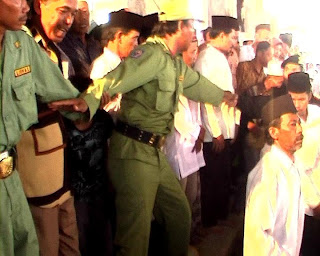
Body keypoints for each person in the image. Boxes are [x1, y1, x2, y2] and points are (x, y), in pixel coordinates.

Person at [49, 0, 237, 255]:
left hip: (154, 153)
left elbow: (195, 84)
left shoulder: (173, 62)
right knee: (134, 238)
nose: (195, 34)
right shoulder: (150, 55)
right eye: (191, 27)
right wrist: (87, 102)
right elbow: (112, 80)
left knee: (179, 215)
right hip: (133, 153)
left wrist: (224, 96)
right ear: (179, 26)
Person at [0, 0, 90, 255]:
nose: (25, 6)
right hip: (33, 168)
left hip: (11, 176)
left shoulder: (21, 44)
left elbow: (65, 94)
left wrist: (90, 103)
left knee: (27, 245)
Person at [59, 1, 115, 255]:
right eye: (74, 11)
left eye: (84, 11)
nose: (80, 17)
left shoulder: (93, 44)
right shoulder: (62, 45)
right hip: (77, 190)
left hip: (100, 186)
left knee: (101, 230)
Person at [244, 94, 320, 256]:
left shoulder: (294, 164)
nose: (300, 129)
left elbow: (311, 198)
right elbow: (258, 240)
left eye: (299, 123)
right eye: (293, 124)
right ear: (273, 132)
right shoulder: (267, 175)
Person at [194, 15, 240, 228]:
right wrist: (217, 131)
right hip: (215, 133)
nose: (234, 42)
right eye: (232, 37)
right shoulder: (206, 59)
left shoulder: (219, 56)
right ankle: (209, 224)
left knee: (222, 178)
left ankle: (218, 220)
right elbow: (206, 99)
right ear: (221, 35)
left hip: (225, 127)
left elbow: (227, 94)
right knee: (212, 180)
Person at [163, 38, 204, 244]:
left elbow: (197, 110)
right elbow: (176, 115)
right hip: (179, 145)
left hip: (193, 144)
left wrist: (201, 129)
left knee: (193, 192)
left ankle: (191, 233)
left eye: (197, 51)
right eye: (192, 51)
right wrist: (197, 133)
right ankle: (178, 242)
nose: (195, 56)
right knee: (180, 197)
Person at [287, 72, 320, 256]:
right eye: (293, 98)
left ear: (309, 95)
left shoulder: (317, 115)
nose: (297, 104)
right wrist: (314, 202)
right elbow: (295, 166)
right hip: (301, 194)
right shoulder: (287, 123)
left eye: (302, 98)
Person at [59, 0, 102, 92]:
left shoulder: (95, 44)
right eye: (77, 13)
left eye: (85, 12)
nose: (83, 18)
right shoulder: (63, 43)